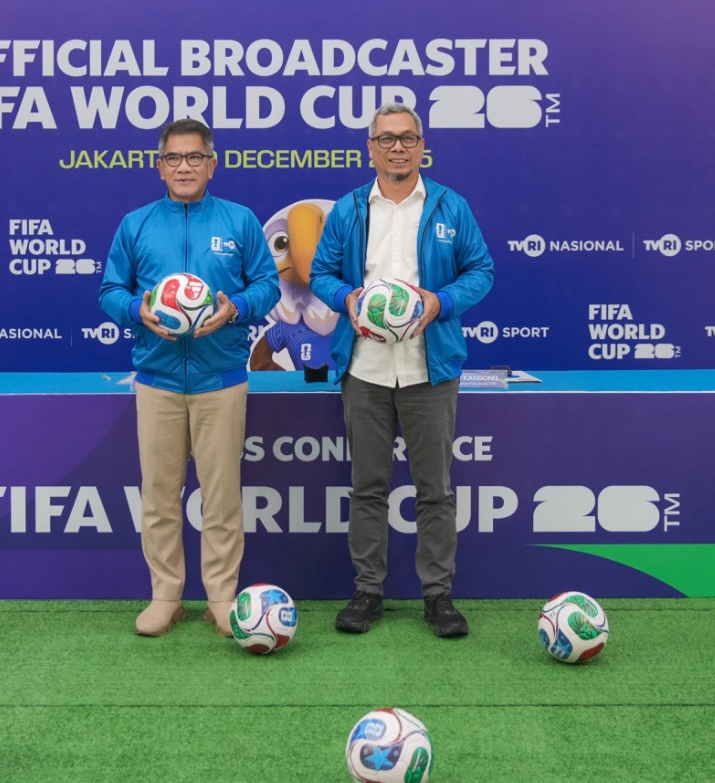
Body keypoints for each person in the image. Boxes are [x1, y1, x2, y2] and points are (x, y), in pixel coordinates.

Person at [310, 103, 494, 638]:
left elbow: (481, 270)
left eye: (407, 138)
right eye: (386, 138)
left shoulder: (450, 206)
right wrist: (347, 299)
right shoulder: (348, 209)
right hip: (364, 370)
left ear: (421, 146)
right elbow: (320, 273)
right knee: (367, 487)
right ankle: (367, 592)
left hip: (428, 372)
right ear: (370, 148)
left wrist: (439, 301)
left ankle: (438, 597)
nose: (397, 147)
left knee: (434, 489)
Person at [99, 118, 280, 637]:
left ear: (211, 165)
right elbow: (110, 290)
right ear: (160, 167)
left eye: (194, 157)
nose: (184, 167)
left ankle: (220, 598)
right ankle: (166, 597)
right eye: (174, 158)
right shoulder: (135, 224)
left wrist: (236, 307)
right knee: (159, 496)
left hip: (221, 379)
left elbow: (268, 285)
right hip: (157, 380)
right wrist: (137, 310)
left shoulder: (239, 221)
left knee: (221, 498)